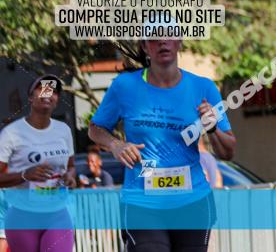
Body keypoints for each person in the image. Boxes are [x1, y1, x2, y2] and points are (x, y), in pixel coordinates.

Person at [89, 28, 236, 252]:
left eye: (168, 36)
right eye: (154, 39)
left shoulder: (203, 87)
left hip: (192, 203)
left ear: (179, 42)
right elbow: (95, 129)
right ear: (145, 46)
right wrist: (115, 144)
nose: (162, 43)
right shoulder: (125, 86)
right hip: (142, 202)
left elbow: (228, 151)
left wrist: (213, 127)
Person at [0, 75, 76, 252]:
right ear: (30, 97)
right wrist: (24, 175)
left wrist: (70, 177)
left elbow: (71, 166)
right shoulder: (11, 133)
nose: (47, 94)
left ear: (57, 100)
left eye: (53, 91)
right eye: (41, 89)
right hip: (23, 217)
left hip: (57, 214)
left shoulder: (63, 131)